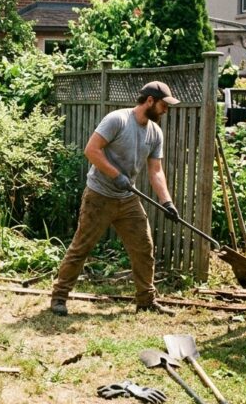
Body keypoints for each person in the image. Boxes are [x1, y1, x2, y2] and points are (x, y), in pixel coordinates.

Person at [49, 81, 182, 317]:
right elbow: (91, 149)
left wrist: (167, 202)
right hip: (99, 195)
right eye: (163, 105)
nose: (165, 110)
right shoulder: (117, 120)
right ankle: (59, 296)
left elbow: (156, 171)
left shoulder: (155, 132)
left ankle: (146, 300)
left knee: (143, 248)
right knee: (82, 247)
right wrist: (115, 174)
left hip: (127, 198)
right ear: (150, 101)